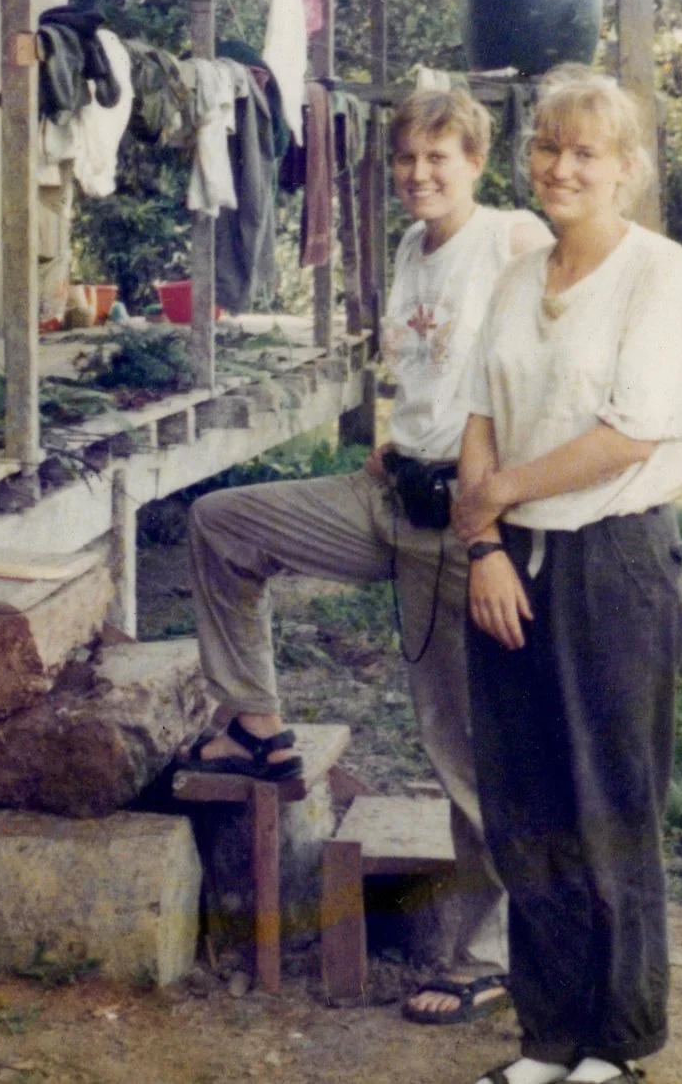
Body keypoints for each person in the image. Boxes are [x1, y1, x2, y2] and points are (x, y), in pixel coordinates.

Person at [187, 86, 549, 1024]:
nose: (420, 175)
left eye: (440, 159)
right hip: (389, 492)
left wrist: (500, 515)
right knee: (224, 522)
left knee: (461, 745)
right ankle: (257, 723)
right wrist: (397, 438)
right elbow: (432, 370)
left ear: (476, 161)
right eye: (406, 160)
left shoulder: (512, 237)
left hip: (464, 524)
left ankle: (484, 953)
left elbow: (551, 360)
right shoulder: (403, 247)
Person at [451, 65, 682, 1084]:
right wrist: (482, 544)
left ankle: (616, 1038)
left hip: (612, 564)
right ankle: (547, 1034)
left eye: (584, 152)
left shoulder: (659, 272)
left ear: (625, 171)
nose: (559, 166)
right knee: (524, 803)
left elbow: (630, 434)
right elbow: (476, 411)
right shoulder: (519, 272)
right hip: (508, 562)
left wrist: (497, 493)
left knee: (609, 798)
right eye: (547, 147)